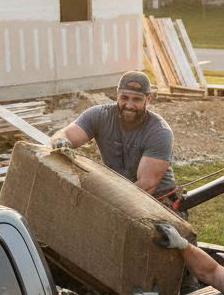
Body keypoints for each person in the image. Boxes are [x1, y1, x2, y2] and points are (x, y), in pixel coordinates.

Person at [50, 71, 186, 214]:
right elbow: (65, 135)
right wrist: (60, 141)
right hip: (121, 195)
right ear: (117, 93)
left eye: (137, 100)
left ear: (148, 99)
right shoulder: (99, 116)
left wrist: (105, 204)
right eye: (125, 97)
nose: (129, 105)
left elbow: (145, 186)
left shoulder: (159, 132)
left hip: (159, 202)